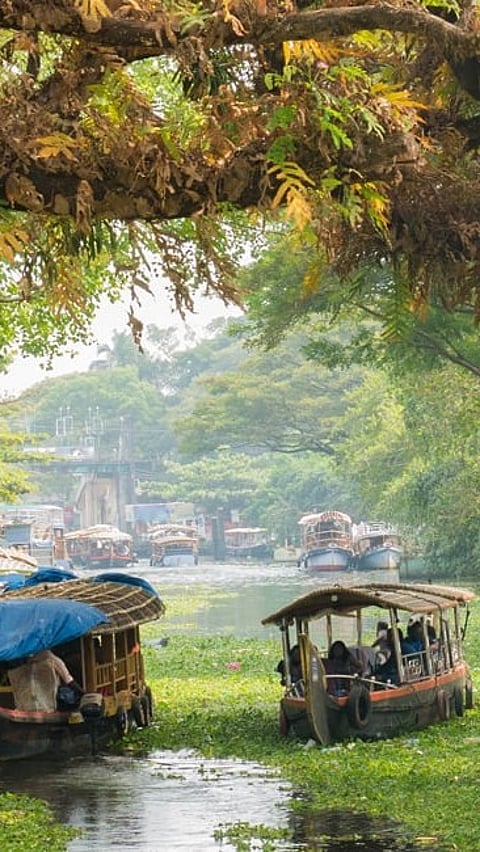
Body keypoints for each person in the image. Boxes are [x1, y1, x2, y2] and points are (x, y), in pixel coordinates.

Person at [8, 649, 82, 712]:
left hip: (44, 706)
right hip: (29, 706)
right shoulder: (17, 662)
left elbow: (68, 679)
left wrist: (80, 692)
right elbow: (68, 679)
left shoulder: (49, 658)